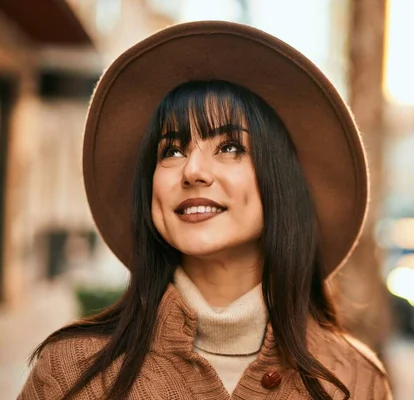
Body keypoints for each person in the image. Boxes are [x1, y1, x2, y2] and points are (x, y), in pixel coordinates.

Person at [19, 21, 391, 400]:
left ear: (282, 181)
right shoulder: (71, 373)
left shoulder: (356, 381)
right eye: (172, 150)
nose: (193, 171)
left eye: (230, 147)